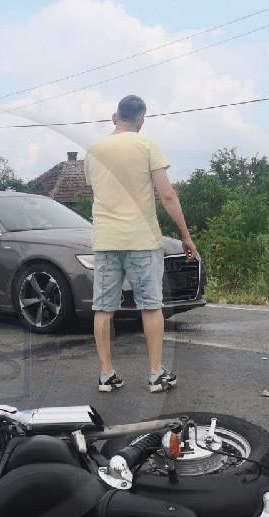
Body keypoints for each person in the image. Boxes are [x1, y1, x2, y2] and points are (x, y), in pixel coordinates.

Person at [84, 94, 197, 393]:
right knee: (150, 306)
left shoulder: (94, 151)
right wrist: (185, 235)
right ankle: (155, 374)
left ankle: (106, 375)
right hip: (141, 239)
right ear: (141, 120)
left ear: (114, 117)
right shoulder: (146, 145)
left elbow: (97, 190)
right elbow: (168, 195)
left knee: (104, 309)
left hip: (106, 239)